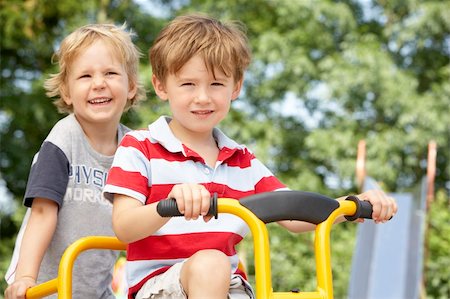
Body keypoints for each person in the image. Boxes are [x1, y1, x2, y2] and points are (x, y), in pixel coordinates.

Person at [103, 14, 397, 299]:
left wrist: (353, 204)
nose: (203, 97)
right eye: (188, 84)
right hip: (160, 288)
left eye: (216, 84)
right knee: (212, 264)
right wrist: (168, 206)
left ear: (236, 87)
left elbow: (295, 215)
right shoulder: (140, 146)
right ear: (161, 86)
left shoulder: (242, 160)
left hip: (231, 288)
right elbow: (124, 227)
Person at [4, 23, 145, 299]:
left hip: (95, 289)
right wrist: (25, 277)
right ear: (67, 92)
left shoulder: (136, 149)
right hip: (46, 284)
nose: (98, 83)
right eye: (85, 76)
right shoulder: (64, 139)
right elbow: (43, 211)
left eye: (110, 73)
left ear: (130, 86)